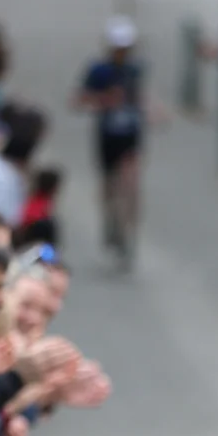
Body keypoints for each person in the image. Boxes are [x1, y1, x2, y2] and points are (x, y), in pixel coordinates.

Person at [74, 15, 146, 267]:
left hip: (130, 135)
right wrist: (105, 99)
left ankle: (128, 233)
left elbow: (140, 97)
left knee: (131, 183)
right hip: (107, 136)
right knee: (109, 185)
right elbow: (79, 99)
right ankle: (111, 222)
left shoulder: (135, 69)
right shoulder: (99, 70)